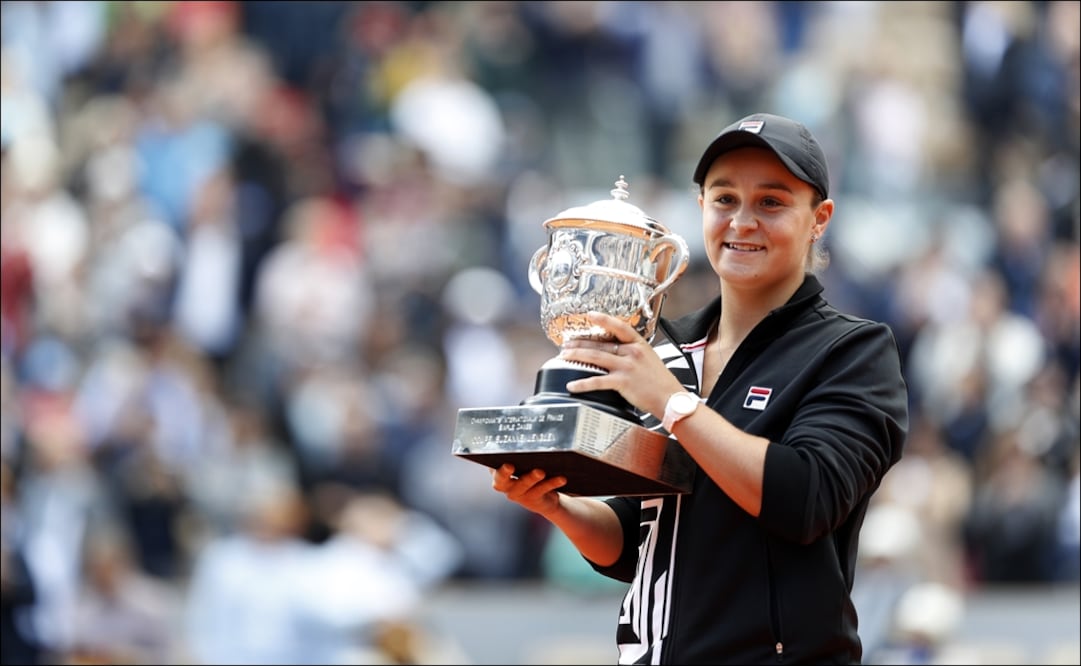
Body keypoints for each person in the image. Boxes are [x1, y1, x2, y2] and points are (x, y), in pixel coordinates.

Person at [490, 112, 909, 664]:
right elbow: (637, 541)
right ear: (701, 210)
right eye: (725, 199)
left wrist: (672, 402)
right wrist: (560, 509)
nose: (742, 221)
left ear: (819, 219)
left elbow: (807, 498)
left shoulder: (852, 351)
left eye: (771, 202)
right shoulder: (660, 347)